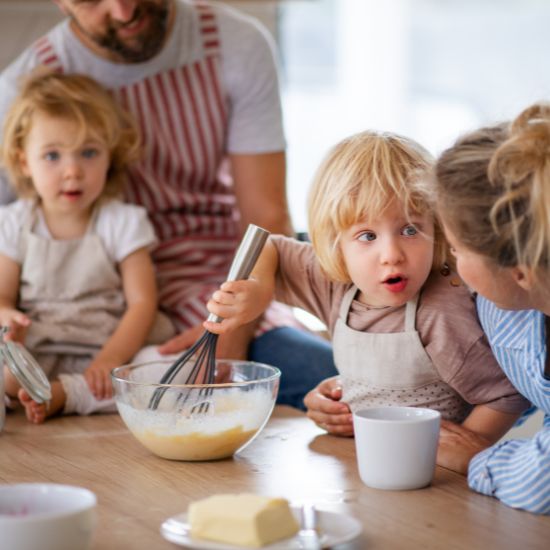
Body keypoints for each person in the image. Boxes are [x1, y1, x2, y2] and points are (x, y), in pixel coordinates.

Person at [0, 0, 338, 410]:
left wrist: (226, 336)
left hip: (219, 281)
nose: (123, 12)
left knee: (334, 381)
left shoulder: (234, 45)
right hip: (106, 311)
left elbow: (264, 220)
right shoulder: (24, 88)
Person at [204, 131, 530, 447]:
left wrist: (463, 452)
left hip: (426, 477)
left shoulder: (441, 315)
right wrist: (260, 288)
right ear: (337, 245)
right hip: (358, 463)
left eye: (410, 229)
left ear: (439, 229)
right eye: (367, 236)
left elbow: (504, 395)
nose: (391, 255)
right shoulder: (335, 286)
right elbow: (269, 245)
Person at [0, 70, 174, 423]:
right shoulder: (15, 222)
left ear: (110, 157)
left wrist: (110, 359)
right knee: (6, 370)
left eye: (89, 153)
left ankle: (68, 395)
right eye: (52, 156)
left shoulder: (122, 221)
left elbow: (143, 303)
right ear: (23, 162)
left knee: (172, 372)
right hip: (37, 349)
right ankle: (33, 392)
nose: (73, 171)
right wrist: (9, 320)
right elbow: (2, 297)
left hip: (109, 347)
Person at [429, 104, 550, 514]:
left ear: (520, 272)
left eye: (459, 250)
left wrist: (478, 459)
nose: (450, 263)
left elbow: (541, 484)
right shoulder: (510, 308)